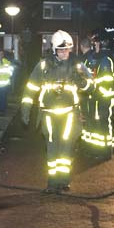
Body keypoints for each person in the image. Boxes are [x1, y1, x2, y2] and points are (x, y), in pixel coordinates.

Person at [20, 30, 93, 192]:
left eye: (67, 49)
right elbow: (30, 88)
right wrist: (25, 109)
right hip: (48, 114)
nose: (64, 52)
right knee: (52, 147)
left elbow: (91, 86)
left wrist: (81, 82)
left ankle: (64, 181)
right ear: (54, 50)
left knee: (66, 148)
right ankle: (52, 183)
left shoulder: (77, 65)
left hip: (70, 114)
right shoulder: (44, 65)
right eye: (61, 50)